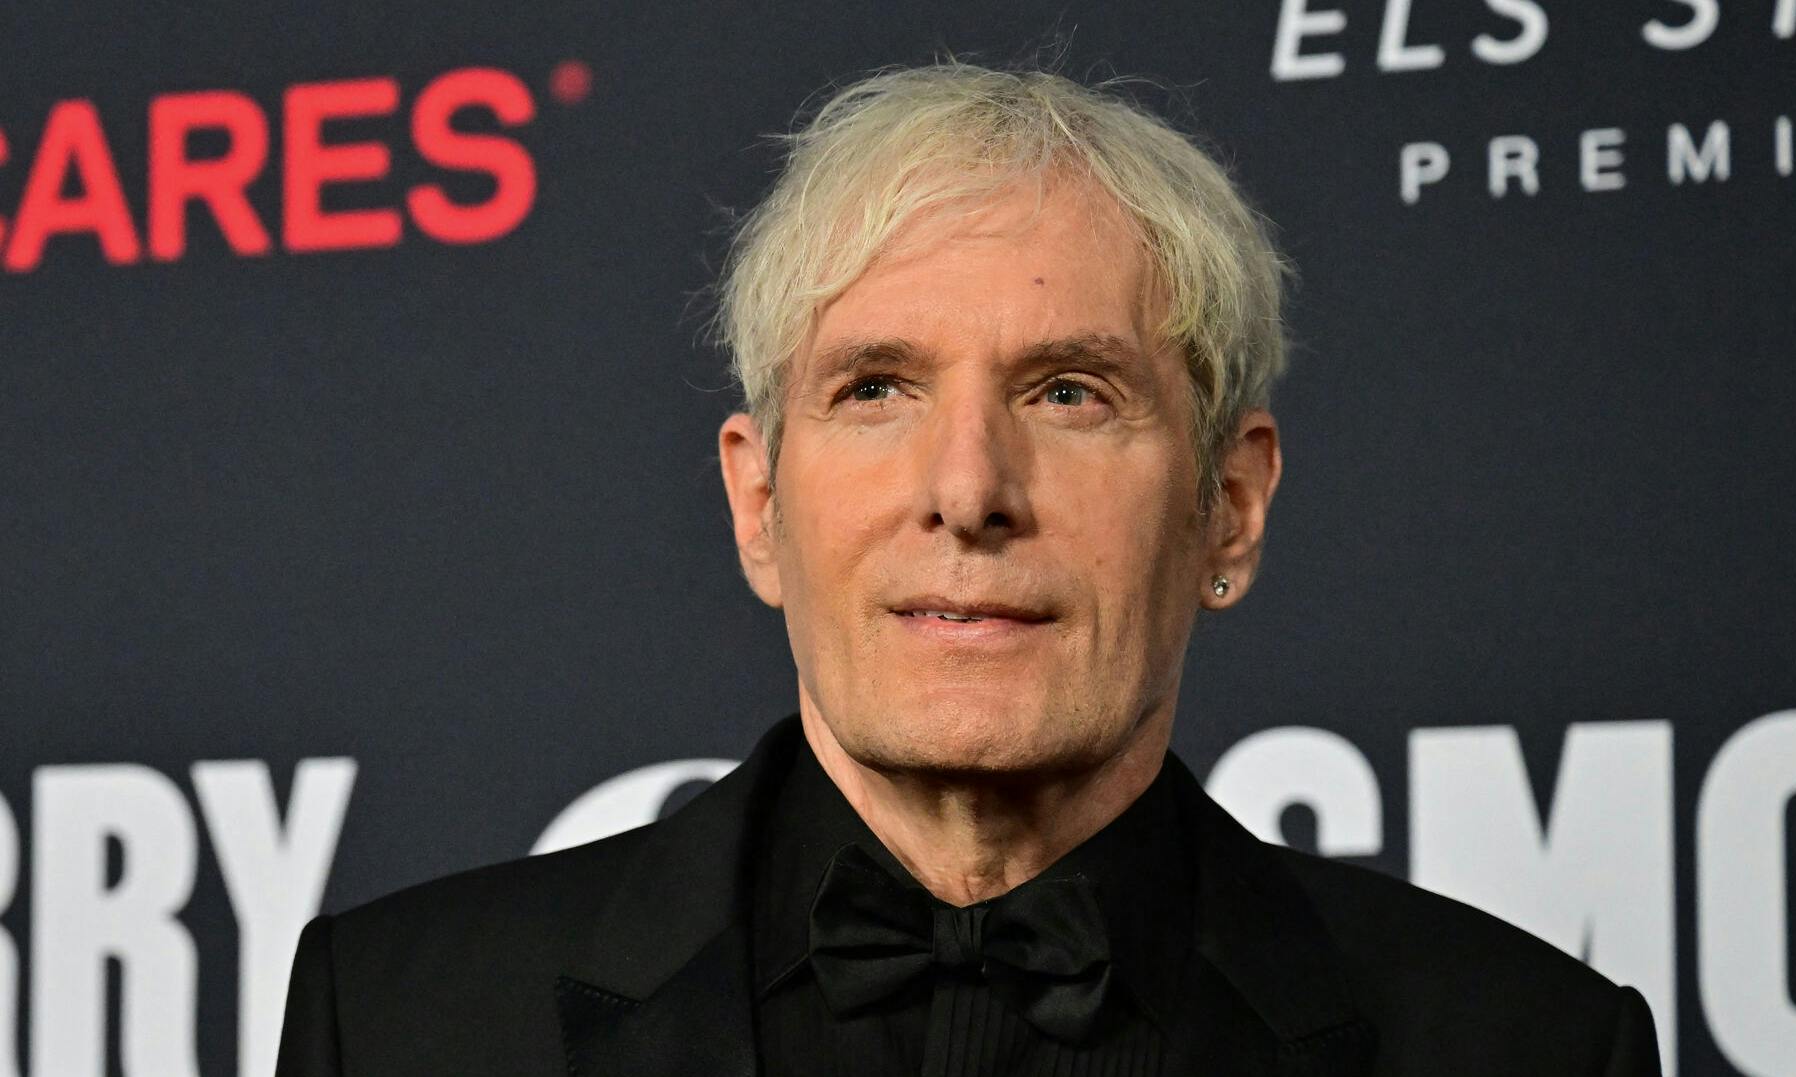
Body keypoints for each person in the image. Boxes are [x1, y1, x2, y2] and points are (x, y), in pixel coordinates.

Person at [275, 62, 1662, 1076]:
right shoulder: (400, 1022)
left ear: (1229, 507)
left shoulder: (1526, 1045)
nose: (967, 492)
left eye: (1069, 392)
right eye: (877, 388)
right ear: (760, 502)